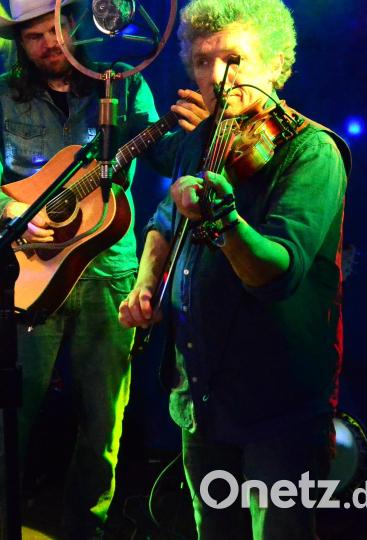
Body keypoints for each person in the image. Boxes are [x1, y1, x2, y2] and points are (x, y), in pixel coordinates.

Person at [0, 0, 206, 537]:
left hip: (107, 276)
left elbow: (166, 158)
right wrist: (6, 209)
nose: (49, 44)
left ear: (74, 26)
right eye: (35, 37)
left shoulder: (126, 88)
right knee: (6, 423)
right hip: (27, 278)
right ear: (21, 43)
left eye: (55, 29)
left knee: (101, 429)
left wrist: (191, 135)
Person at [117, 0, 350, 538]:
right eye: (202, 62)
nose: (217, 77)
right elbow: (162, 221)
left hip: (278, 404)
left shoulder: (311, 151)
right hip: (200, 394)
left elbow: (277, 272)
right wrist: (146, 285)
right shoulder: (196, 142)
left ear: (276, 64)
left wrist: (224, 219)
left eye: (234, 60)